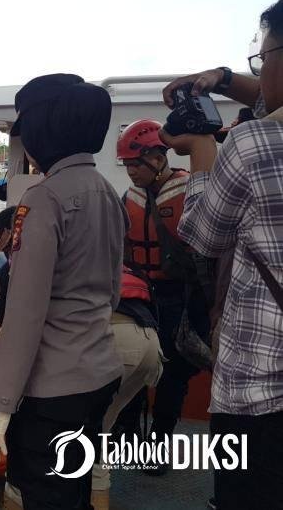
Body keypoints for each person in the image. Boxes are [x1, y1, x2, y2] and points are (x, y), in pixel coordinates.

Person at [159, 0, 283, 510]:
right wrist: (226, 78)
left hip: (263, 385)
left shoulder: (255, 144)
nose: (263, 67)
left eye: (265, 56)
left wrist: (206, 148)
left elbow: (205, 236)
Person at [0, 74, 125, 509]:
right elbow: (114, 289)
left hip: (53, 387)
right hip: (99, 370)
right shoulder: (108, 192)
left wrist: (1, 402)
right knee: (76, 490)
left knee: (47, 496)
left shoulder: (43, 200)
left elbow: (25, 311)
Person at [116, 118, 211, 474]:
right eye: (126, 165)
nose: (131, 172)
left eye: (135, 164)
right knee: (135, 367)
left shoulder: (189, 190)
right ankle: (127, 437)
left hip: (180, 296)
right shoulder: (129, 198)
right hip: (141, 294)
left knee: (173, 374)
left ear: (158, 158)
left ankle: (160, 443)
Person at [90, 267, 163, 510]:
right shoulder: (109, 258)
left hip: (116, 339)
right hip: (150, 343)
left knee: (90, 436)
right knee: (99, 431)